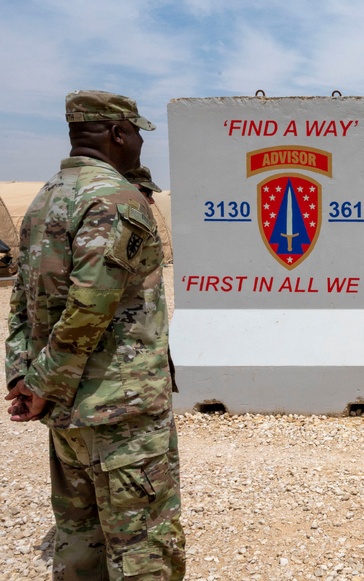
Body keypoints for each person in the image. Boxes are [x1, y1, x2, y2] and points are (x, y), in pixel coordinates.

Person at [4, 90, 185, 579]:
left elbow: (22, 298)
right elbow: (90, 307)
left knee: (81, 540)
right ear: (117, 134)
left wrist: (22, 377)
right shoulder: (114, 199)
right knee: (143, 546)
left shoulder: (47, 197)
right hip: (118, 409)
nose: (141, 146)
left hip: (68, 412)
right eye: (137, 134)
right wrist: (41, 383)